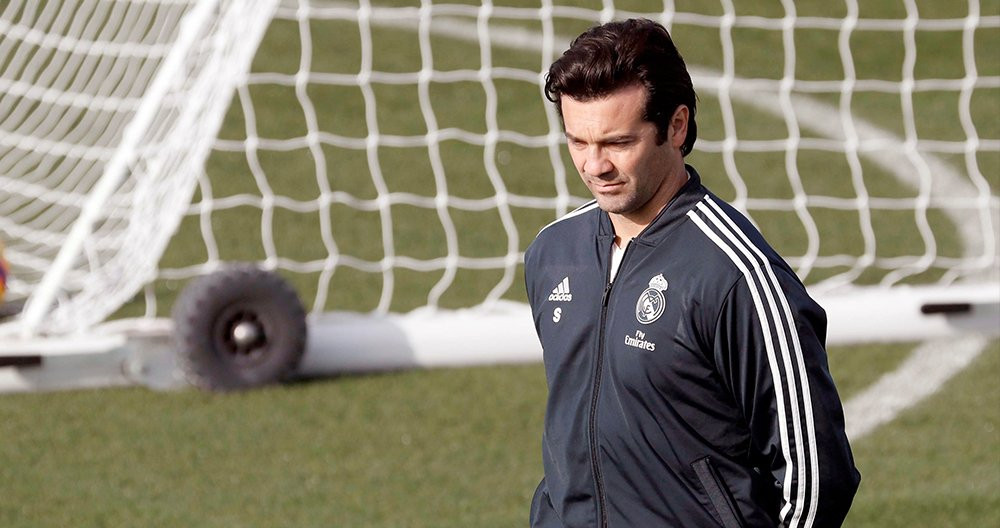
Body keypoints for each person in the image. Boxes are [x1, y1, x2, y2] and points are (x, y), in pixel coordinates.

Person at [524, 19, 860, 527]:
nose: (595, 166)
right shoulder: (554, 253)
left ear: (676, 127)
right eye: (578, 141)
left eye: (618, 142)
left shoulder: (735, 274)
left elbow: (816, 477)